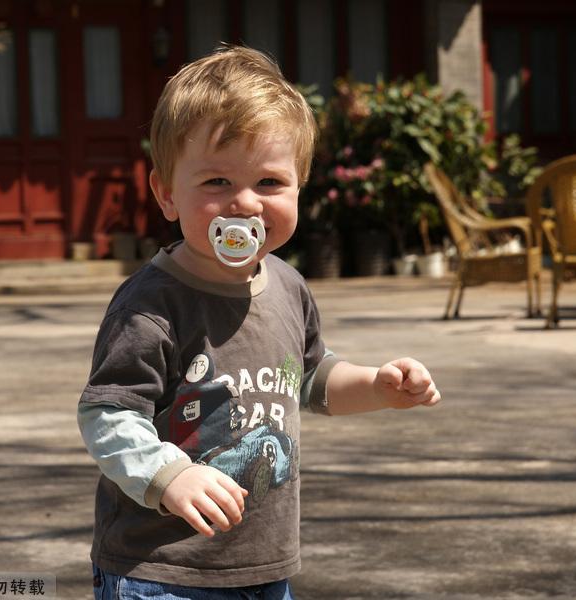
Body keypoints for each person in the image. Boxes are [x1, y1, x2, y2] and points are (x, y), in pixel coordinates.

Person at [77, 45, 441, 600]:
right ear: (166, 192)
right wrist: (170, 476)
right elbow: (108, 414)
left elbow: (312, 379)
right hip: (163, 568)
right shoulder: (151, 305)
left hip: (263, 564)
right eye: (216, 182)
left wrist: (376, 386)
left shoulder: (289, 286)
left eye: (269, 183)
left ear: (300, 187)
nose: (244, 204)